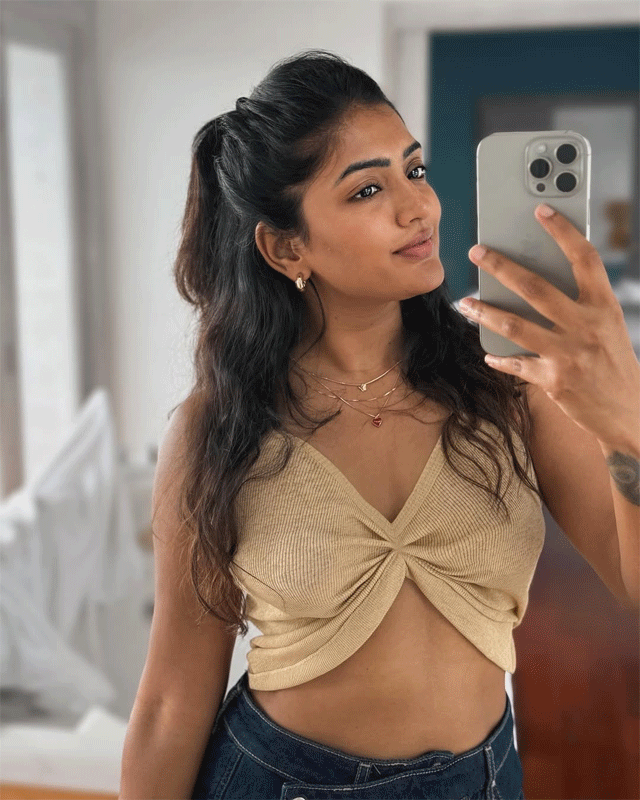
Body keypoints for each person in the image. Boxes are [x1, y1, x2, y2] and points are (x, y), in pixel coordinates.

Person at [120, 49, 637, 800]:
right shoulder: (219, 426)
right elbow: (171, 700)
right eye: (368, 188)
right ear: (286, 247)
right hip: (279, 782)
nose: (418, 207)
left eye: (414, 170)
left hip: (481, 782)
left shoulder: (508, 385)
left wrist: (626, 422)